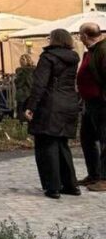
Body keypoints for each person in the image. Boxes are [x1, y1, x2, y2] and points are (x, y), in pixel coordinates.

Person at [24, 29, 81, 200]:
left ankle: (53, 187)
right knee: (62, 144)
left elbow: (40, 84)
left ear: (53, 39)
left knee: (46, 144)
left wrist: (31, 106)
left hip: (50, 104)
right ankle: (70, 185)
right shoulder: (73, 58)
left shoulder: (48, 57)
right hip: (69, 102)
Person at [77, 23, 106, 191]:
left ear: (85, 36)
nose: (79, 37)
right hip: (89, 103)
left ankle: (104, 178)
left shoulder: (102, 50)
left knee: (105, 140)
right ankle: (94, 174)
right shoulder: (90, 51)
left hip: (101, 103)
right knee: (87, 138)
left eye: (80, 34)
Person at [13, 54, 36, 121]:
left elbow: (19, 83)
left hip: (22, 94)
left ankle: (20, 128)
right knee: (30, 113)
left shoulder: (21, 71)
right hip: (31, 94)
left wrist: (16, 80)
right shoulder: (34, 70)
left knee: (20, 113)